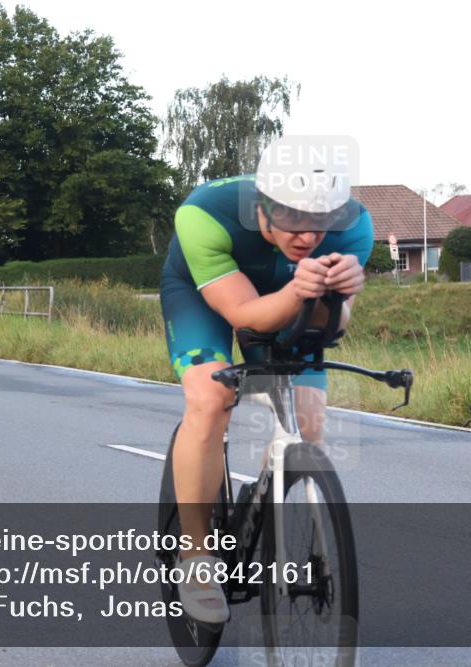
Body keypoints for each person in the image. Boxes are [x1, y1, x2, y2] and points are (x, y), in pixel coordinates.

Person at [159, 137, 374, 623]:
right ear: (263, 206)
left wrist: (338, 296)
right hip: (205, 294)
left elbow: (333, 327)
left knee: (308, 424)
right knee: (212, 397)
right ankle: (195, 558)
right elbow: (244, 315)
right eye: (294, 218)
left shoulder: (355, 226)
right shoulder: (203, 215)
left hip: (292, 296)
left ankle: (263, 507)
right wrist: (300, 289)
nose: (309, 235)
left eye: (320, 220)